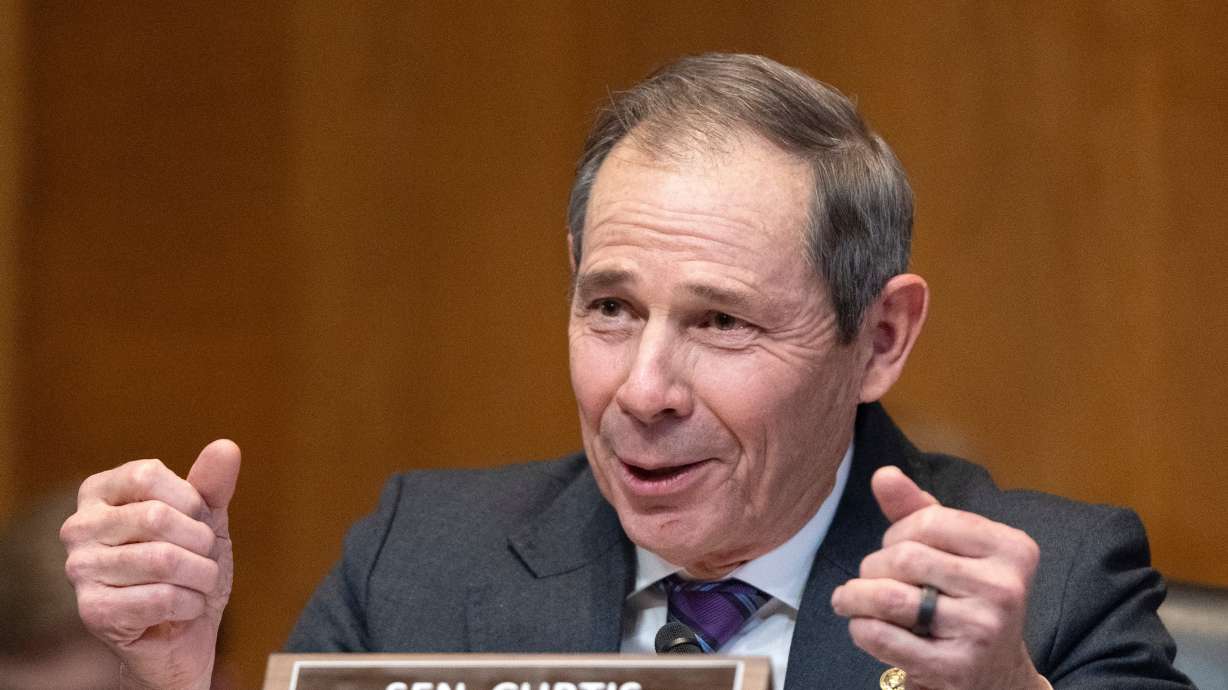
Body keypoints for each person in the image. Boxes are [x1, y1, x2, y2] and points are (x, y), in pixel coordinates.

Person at [60, 53, 1191, 690]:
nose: (640, 390)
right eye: (609, 307)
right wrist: (174, 671)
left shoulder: (1057, 591)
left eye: (721, 323)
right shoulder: (420, 558)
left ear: (880, 338)